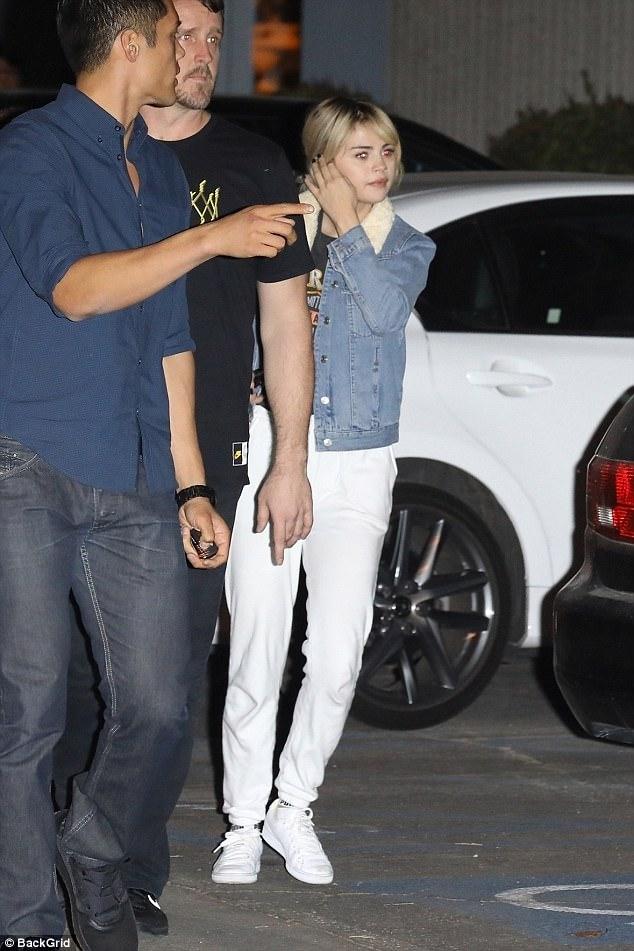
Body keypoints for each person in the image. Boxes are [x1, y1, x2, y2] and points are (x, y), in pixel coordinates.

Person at [0, 0, 309, 946]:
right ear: (131, 44)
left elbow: (173, 337)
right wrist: (214, 238)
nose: (194, 51)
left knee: (162, 704)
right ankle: (26, 920)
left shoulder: (162, 170)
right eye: (178, 36)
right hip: (29, 462)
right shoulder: (31, 150)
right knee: (29, 706)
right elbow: (74, 288)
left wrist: (191, 484)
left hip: (137, 472)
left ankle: (92, 844)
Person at [213, 96, 436, 886]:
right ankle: (243, 820)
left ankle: (294, 804)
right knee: (257, 645)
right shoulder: (277, 231)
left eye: (386, 151)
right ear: (322, 159)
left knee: (338, 654)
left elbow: (382, 310)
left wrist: (340, 224)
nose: (379, 166)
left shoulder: (406, 245)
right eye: (359, 153)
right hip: (276, 447)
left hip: (359, 464)